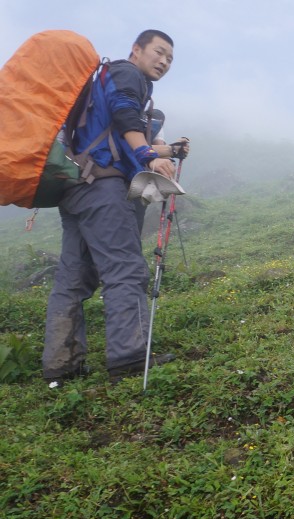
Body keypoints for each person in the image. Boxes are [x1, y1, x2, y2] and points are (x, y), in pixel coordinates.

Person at [42, 30, 186, 384]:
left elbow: (116, 128)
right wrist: (150, 155)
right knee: (124, 267)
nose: (164, 61)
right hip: (103, 188)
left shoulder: (104, 78)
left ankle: (62, 363)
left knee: (73, 278)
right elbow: (125, 115)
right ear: (136, 50)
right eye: (159, 52)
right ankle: (130, 355)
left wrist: (167, 151)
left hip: (75, 187)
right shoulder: (127, 74)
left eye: (170, 58)